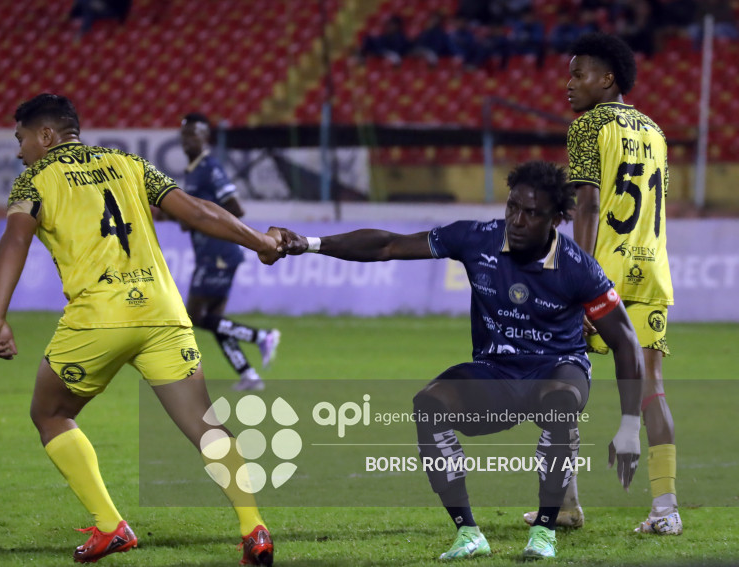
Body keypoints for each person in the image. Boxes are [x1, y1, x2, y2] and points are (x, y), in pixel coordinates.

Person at [274, 160, 645, 560]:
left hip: (557, 368)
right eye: (512, 207)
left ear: (556, 219)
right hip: (496, 373)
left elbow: (625, 342)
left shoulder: (578, 268)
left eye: (532, 213)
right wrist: (309, 244)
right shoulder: (477, 238)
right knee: (429, 404)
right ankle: (468, 533)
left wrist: (629, 425)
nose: (517, 220)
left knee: (559, 402)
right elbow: (388, 245)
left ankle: (544, 530)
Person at [0, 94, 279, 565]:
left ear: (45, 136)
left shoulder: (33, 179)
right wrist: (260, 240)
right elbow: (199, 211)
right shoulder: (131, 164)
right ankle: (254, 528)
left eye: (21, 138)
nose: (20, 150)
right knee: (206, 426)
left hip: (99, 316)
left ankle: (109, 526)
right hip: (162, 312)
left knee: (51, 413)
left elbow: (15, 239)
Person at [527, 32, 681, 535]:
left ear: (607, 78)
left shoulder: (589, 126)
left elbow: (588, 203)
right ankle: (666, 510)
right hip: (652, 271)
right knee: (652, 389)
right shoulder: (655, 131)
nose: (568, 84)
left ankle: (565, 505)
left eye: (578, 74)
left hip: (602, 271)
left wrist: (576, 271)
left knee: (560, 380)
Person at [178, 113, 280, 392]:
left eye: (194, 134)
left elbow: (235, 207)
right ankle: (249, 374)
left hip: (218, 253)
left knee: (195, 317)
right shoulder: (193, 169)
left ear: (205, 137)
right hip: (211, 254)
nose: (188, 140)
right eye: (185, 134)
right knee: (216, 322)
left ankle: (261, 336)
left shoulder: (210, 167)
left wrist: (202, 219)